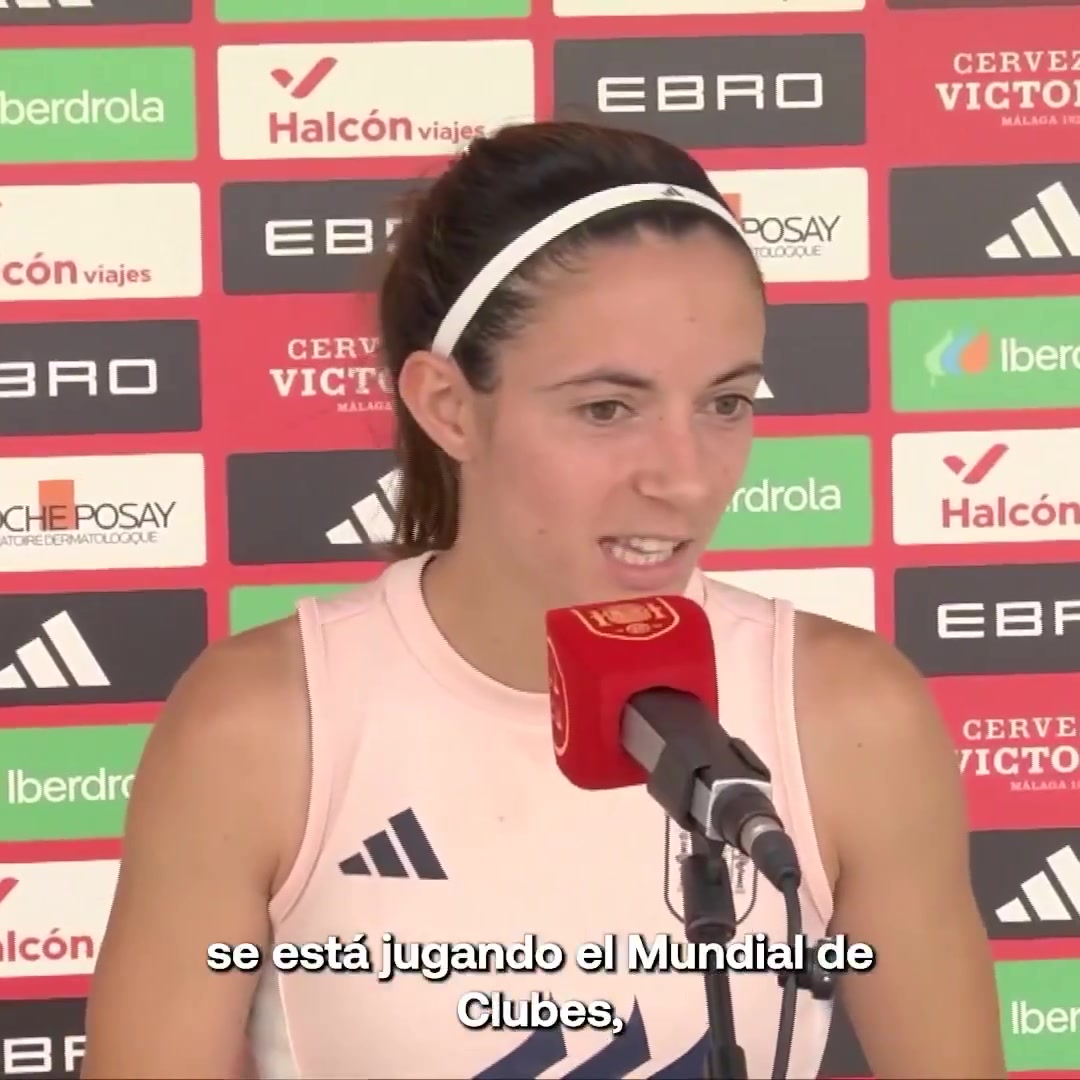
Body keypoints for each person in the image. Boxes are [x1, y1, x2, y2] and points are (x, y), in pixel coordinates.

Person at [82, 120, 1006, 1080]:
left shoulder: (852, 718)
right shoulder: (262, 728)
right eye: (607, 409)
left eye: (725, 403)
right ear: (448, 407)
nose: (686, 479)